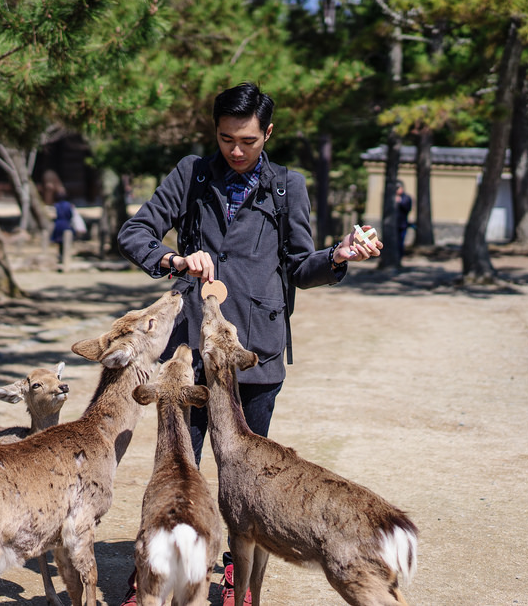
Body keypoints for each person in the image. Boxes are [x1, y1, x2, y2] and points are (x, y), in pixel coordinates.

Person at [115, 82, 382, 606]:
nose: (236, 151)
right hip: (190, 350)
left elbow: (301, 267)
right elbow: (135, 232)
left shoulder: (288, 185)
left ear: (268, 134)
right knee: (175, 469)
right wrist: (174, 259)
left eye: (248, 141)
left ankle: (239, 576)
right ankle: (150, 573)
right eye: (226, 139)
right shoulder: (191, 173)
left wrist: (339, 254)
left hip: (256, 354)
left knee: (246, 480)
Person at [394, 180, 413, 266]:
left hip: (402, 224)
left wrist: (400, 202)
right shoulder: (391, 197)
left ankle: (399, 258)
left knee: (400, 242)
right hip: (392, 225)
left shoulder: (406, 198)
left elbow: (407, 208)